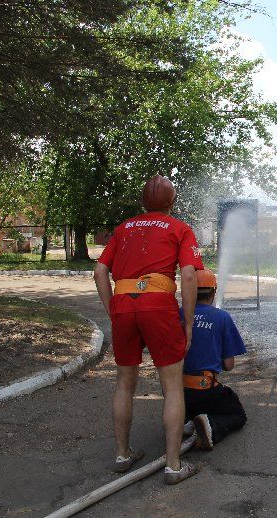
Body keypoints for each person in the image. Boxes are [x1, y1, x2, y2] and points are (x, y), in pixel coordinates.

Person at [94, 174, 203, 485]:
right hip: (159, 306)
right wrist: (189, 320)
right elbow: (189, 275)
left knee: (125, 383)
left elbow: (100, 271)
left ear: (143, 202)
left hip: (124, 306)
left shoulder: (123, 228)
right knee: (171, 385)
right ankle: (173, 465)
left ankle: (122, 454)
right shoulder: (179, 228)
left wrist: (113, 310)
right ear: (172, 201)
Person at [180, 269, 247, 451]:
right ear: (214, 292)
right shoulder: (221, 317)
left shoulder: (178, 315)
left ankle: (187, 420)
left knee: (189, 400)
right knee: (237, 414)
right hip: (204, 390)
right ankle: (211, 428)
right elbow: (228, 365)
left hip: (177, 393)